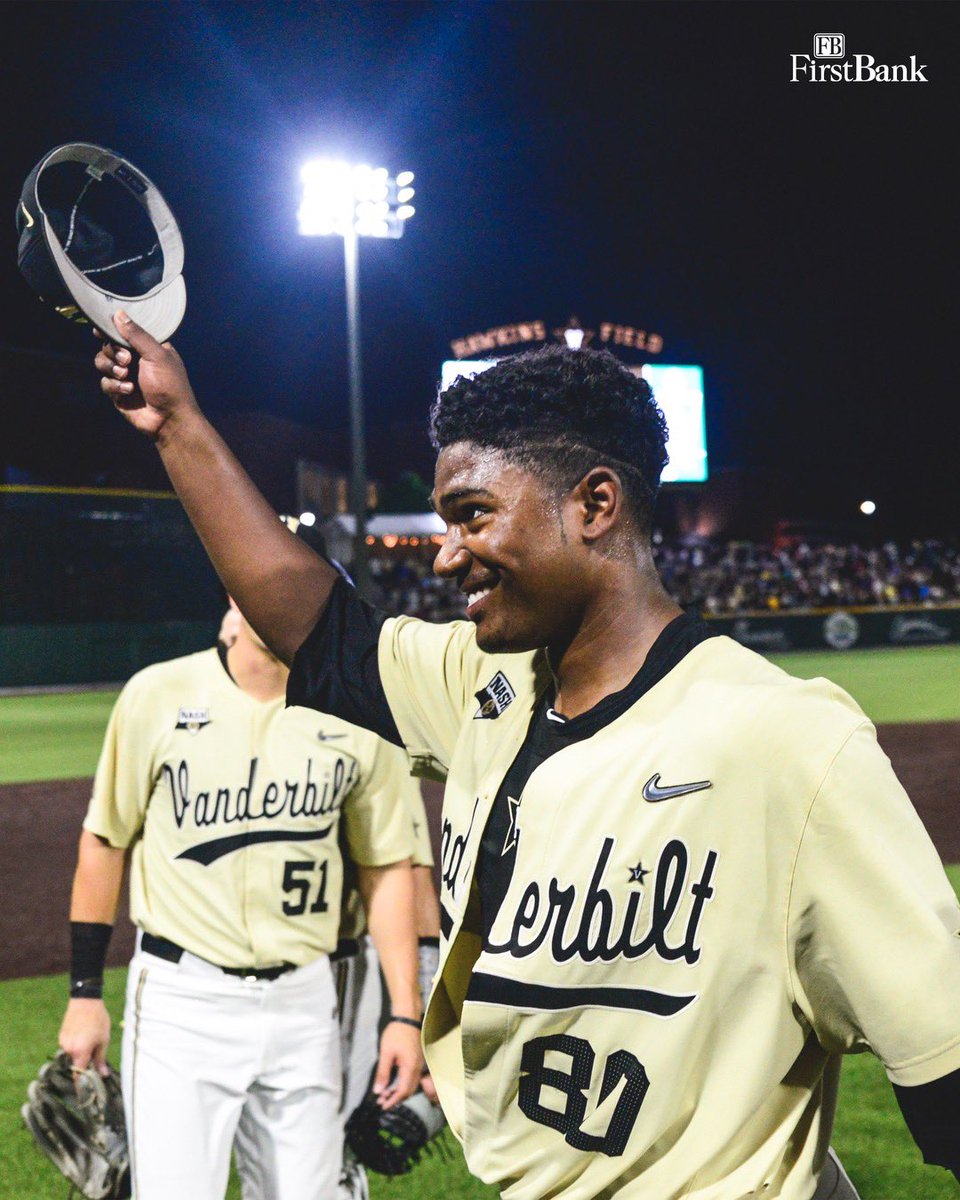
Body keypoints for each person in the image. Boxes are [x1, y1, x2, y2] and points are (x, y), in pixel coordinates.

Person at [93, 313, 960, 1198]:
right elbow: (318, 630)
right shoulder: (483, 684)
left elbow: (946, 1067)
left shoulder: (787, 743)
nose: (444, 555)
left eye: (472, 515)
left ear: (593, 505)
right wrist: (178, 426)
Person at [58, 592, 425, 1200]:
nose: (274, 600)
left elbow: (385, 868)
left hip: (306, 1002)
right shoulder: (157, 694)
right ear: (235, 592)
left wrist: (403, 1015)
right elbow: (104, 841)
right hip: (184, 1000)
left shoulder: (354, 713)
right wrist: (84, 994)